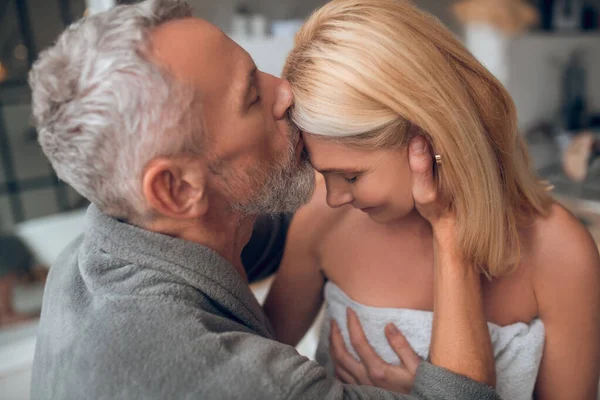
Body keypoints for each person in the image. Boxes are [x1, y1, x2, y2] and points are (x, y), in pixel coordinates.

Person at [28, 0, 501, 399]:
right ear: (177, 189)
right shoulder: (222, 375)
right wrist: (452, 231)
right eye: (252, 97)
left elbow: (278, 210)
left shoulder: (101, 247)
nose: (286, 92)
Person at [264, 1, 600, 399]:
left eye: (352, 176)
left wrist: (431, 393)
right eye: (325, 173)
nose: (334, 196)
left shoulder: (559, 250)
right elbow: (259, 376)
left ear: (428, 134)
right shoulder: (322, 219)